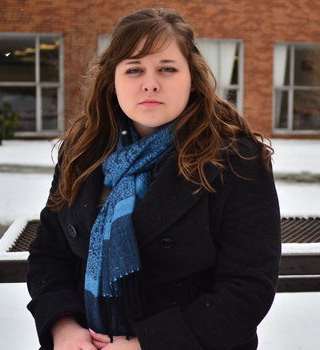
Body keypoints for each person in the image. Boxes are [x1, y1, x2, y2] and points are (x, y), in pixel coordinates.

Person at [26, 8, 281, 350]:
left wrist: (148, 344)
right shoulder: (82, 153)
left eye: (167, 69)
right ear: (112, 83)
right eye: (134, 69)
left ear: (192, 79)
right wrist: (63, 326)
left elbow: (247, 288)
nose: (150, 83)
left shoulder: (237, 160)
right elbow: (49, 255)